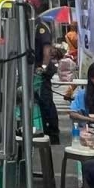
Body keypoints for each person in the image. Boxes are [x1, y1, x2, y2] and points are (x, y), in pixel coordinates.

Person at [33, 14, 61, 144]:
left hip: (42, 70)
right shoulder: (31, 26)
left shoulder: (41, 27)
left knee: (45, 100)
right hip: (35, 69)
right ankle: (44, 128)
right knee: (39, 101)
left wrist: (43, 67)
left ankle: (53, 132)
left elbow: (47, 49)